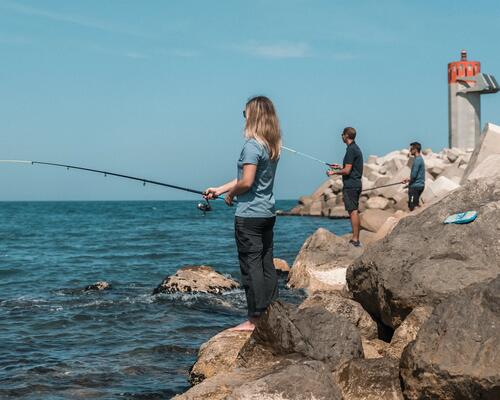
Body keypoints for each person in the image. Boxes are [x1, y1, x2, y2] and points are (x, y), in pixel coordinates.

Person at [204, 96, 281, 331]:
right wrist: (220, 189)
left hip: (249, 216)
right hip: (267, 213)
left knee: (251, 267)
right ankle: (272, 313)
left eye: (245, 112)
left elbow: (246, 182)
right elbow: (246, 178)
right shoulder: (271, 145)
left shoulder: (251, 145)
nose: (244, 116)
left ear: (254, 115)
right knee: (266, 264)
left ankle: (254, 319)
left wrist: (231, 195)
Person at [327, 127, 363, 247]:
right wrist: (338, 167)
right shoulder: (354, 148)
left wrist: (333, 173)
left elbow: (347, 171)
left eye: (342, 134)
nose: (341, 136)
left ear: (346, 136)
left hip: (351, 185)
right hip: (355, 184)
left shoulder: (351, 150)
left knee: (353, 212)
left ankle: (355, 239)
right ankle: (356, 238)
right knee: (354, 211)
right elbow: (349, 167)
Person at [402, 142, 425, 211]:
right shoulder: (420, 159)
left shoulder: (417, 160)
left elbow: (414, 175)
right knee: (415, 204)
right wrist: (408, 181)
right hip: (419, 185)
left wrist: (409, 183)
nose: (410, 150)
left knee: (412, 206)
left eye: (411, 149)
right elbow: (415, 176)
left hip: (415, 187)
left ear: (415, 149)